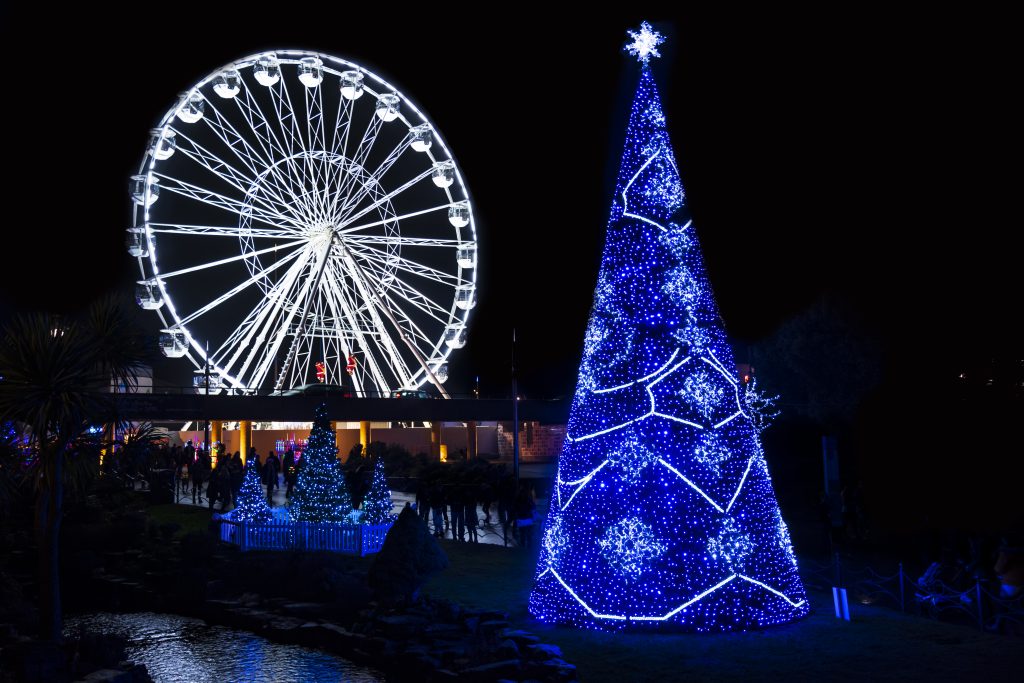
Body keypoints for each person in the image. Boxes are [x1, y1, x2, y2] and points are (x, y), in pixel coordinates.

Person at [514, 484, 537, 549]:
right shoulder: (529, 499)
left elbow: (515, 509)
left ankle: (523, 548)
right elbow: (533, 508)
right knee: (529, 535)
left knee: (522, 534)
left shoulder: (517, 499)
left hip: (520, 519)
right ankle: (529, 548)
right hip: (528, 519)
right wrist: (534, 518)